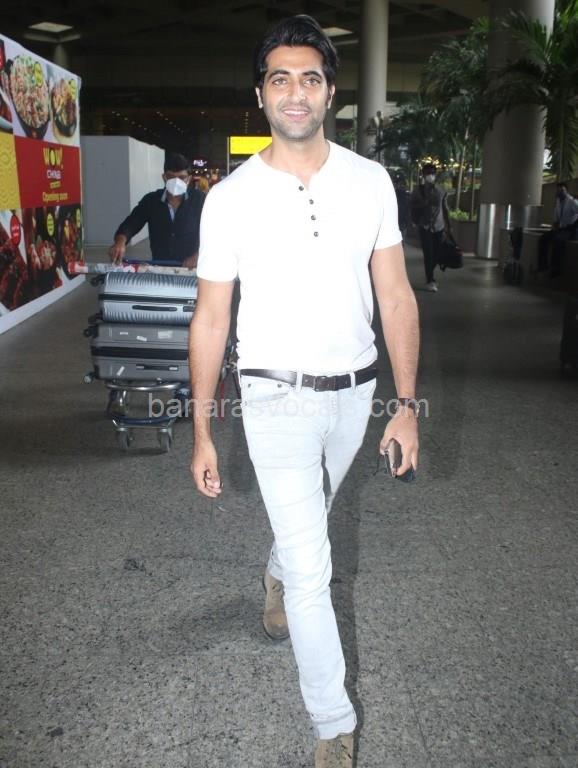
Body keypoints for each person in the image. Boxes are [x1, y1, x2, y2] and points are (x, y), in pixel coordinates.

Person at [189, 15, 420, 768]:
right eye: (280, 78)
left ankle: (278, 567)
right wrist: (202, 431)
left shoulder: (370, 182)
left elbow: (396, 297)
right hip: (273, 396)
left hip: (356, 395)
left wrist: (406, 406)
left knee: (310, 522)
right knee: (316, 570)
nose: (296, 92)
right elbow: (212, 317)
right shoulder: (230, 198)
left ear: (330, 93)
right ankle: (333, 722)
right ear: (261, 94)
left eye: (310, 78)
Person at [108, 152, 204, 267]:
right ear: (164, 177)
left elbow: (217, 231)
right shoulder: (151, 201)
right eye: (171, 177)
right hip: (160, 267)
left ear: (189, 178)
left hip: (192, 269)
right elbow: (131, 223)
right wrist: (120, 241)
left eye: (181, 177)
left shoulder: (201, 201)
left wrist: (199, 255)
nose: (176, 181)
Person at [409, 162, 451, 292]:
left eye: (432, 173)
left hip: (439, 226)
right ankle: (430, 280)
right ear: (423, 175)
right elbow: (411, 205)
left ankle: (429, 273)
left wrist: (449, 226)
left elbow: (445, 208)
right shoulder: (418, 190)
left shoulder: (441, 190)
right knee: (428, 254)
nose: (430, 176)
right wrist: (423, 204)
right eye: (427, 173)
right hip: (425, 226)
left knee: (437, 254)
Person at [537, 182, 578, 278]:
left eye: (562, 190)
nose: (560, 192)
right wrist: (554, 227)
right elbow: (556, 218)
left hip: (570, 230)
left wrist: (574, 226)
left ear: (566, 191)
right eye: (558, 190)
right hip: (561, 228)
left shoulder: (572, 202)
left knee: (558, 241)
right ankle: (543, 266)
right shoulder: (558, 202)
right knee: (543, 238)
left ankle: (555, 269)